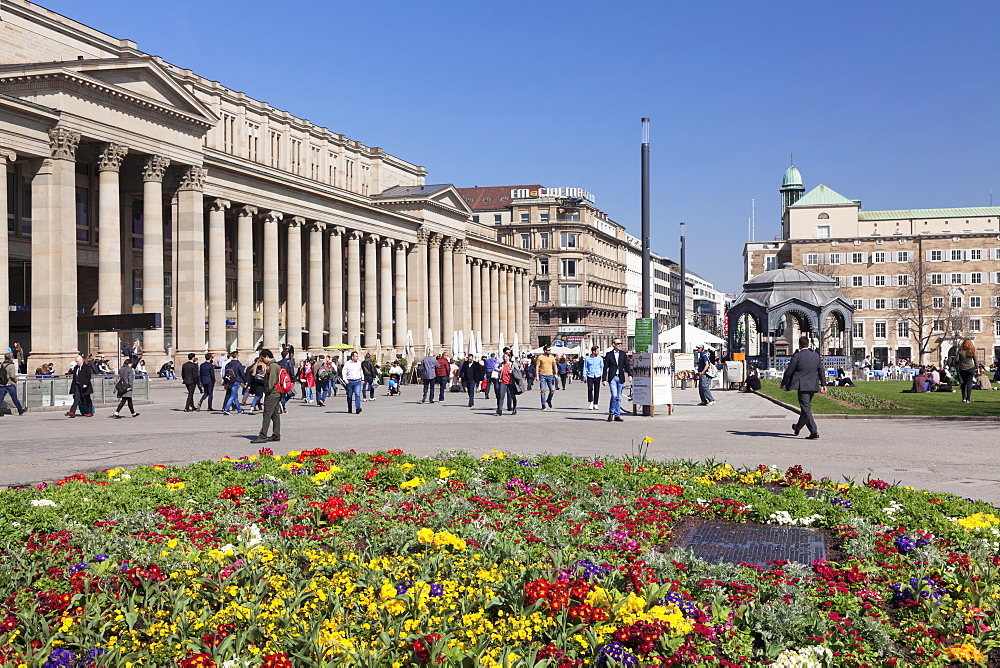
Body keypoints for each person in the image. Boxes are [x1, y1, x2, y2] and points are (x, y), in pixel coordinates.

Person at [780, 336, 826, 440]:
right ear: (808, 344)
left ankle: (814, 432)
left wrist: (783, 383)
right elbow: (821, 370)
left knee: (806, 408)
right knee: (806, 408)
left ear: (799, 345)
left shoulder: (797, 356)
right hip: (813, 385)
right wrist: (823, 384)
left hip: (803, 385)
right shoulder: (816, 356)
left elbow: (789, 371)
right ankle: (797, 427)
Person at [251, 348, 281, 444]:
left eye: (263, 358)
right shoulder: (275, 365)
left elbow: (271, 382)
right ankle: (276, 434)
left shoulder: (272, 366)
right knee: (275, 415)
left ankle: (263, 435)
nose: (262, 360)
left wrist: (267, 391)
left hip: (272, 393)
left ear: (267, 357)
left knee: (267, 414)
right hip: (276, 393)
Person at [602, 338, 632, 422]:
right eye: (618, 343)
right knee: (614, 395)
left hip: (620, 377)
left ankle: (617, 415)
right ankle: (611, 413)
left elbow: (627, 365)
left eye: (620, 343)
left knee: (618, 397)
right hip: (612, 377)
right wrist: (604, 379)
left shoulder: (623, 354)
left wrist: (630, 375)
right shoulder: (609, 354)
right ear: (613, 344)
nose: (619, 345)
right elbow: (605, 367)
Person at [535, 346, 557, 410]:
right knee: (543, 390)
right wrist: (537, 375)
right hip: (542, 375)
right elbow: (537, 366)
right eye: (548, 350)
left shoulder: (552, 357)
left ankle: (549, 400)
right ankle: (543, 405)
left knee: (552, 390)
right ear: (544, 351)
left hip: (550, 375)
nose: (549, 351)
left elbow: (554, 365)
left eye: (550, 350)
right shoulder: (540, 357)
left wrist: (556, 373)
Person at [956, 339, 978, 403]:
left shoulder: (960, 351)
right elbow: (975, 360)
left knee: (963, 383)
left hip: (962, 368)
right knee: (969, 384)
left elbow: (957, 360)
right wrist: (977, 367)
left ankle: (963, 398)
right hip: (970, 368)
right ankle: (968, 399)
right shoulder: (971, 351)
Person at [583, 346, 604, 410]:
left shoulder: (600, 358)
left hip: (597, 375)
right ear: (593, 351)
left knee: (597, 390)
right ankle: (591, 402)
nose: (598, 352)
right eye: (597, 351)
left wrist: (602, 374)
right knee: (590, 389)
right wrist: (584, 376)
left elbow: (602, 367)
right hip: (590, 375)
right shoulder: (587, 358)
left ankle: (595, 403)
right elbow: (585, 367)